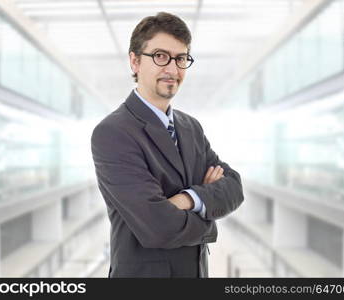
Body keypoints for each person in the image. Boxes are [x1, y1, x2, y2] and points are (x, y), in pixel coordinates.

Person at [91, 12, 244, 278]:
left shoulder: (191, 127)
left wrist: (186, 199)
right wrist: (208, 215)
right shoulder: (113, 133)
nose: (173, 69)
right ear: (135, 61)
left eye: (181, 58)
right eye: (160, 56)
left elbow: (233, 187)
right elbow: (157, 226)